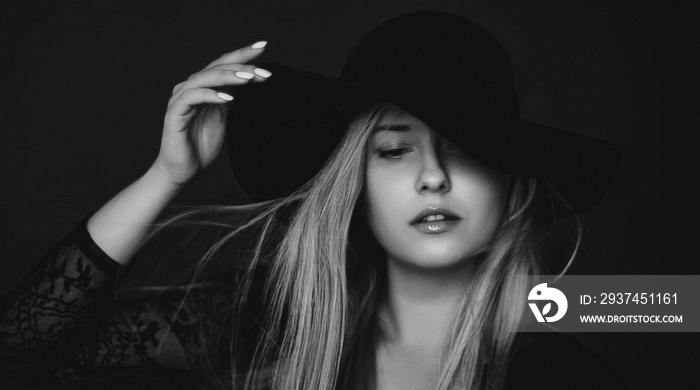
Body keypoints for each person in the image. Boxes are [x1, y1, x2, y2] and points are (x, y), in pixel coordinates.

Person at [0, 11, 626, 390]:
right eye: (393, 150)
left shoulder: (558, 345)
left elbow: (669, 303)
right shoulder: (270, 322)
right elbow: (21, 353)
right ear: (352, 183)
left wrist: (535, 306)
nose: (433, 177)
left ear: (512, 177)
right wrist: (165, 176)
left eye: (465, 149)